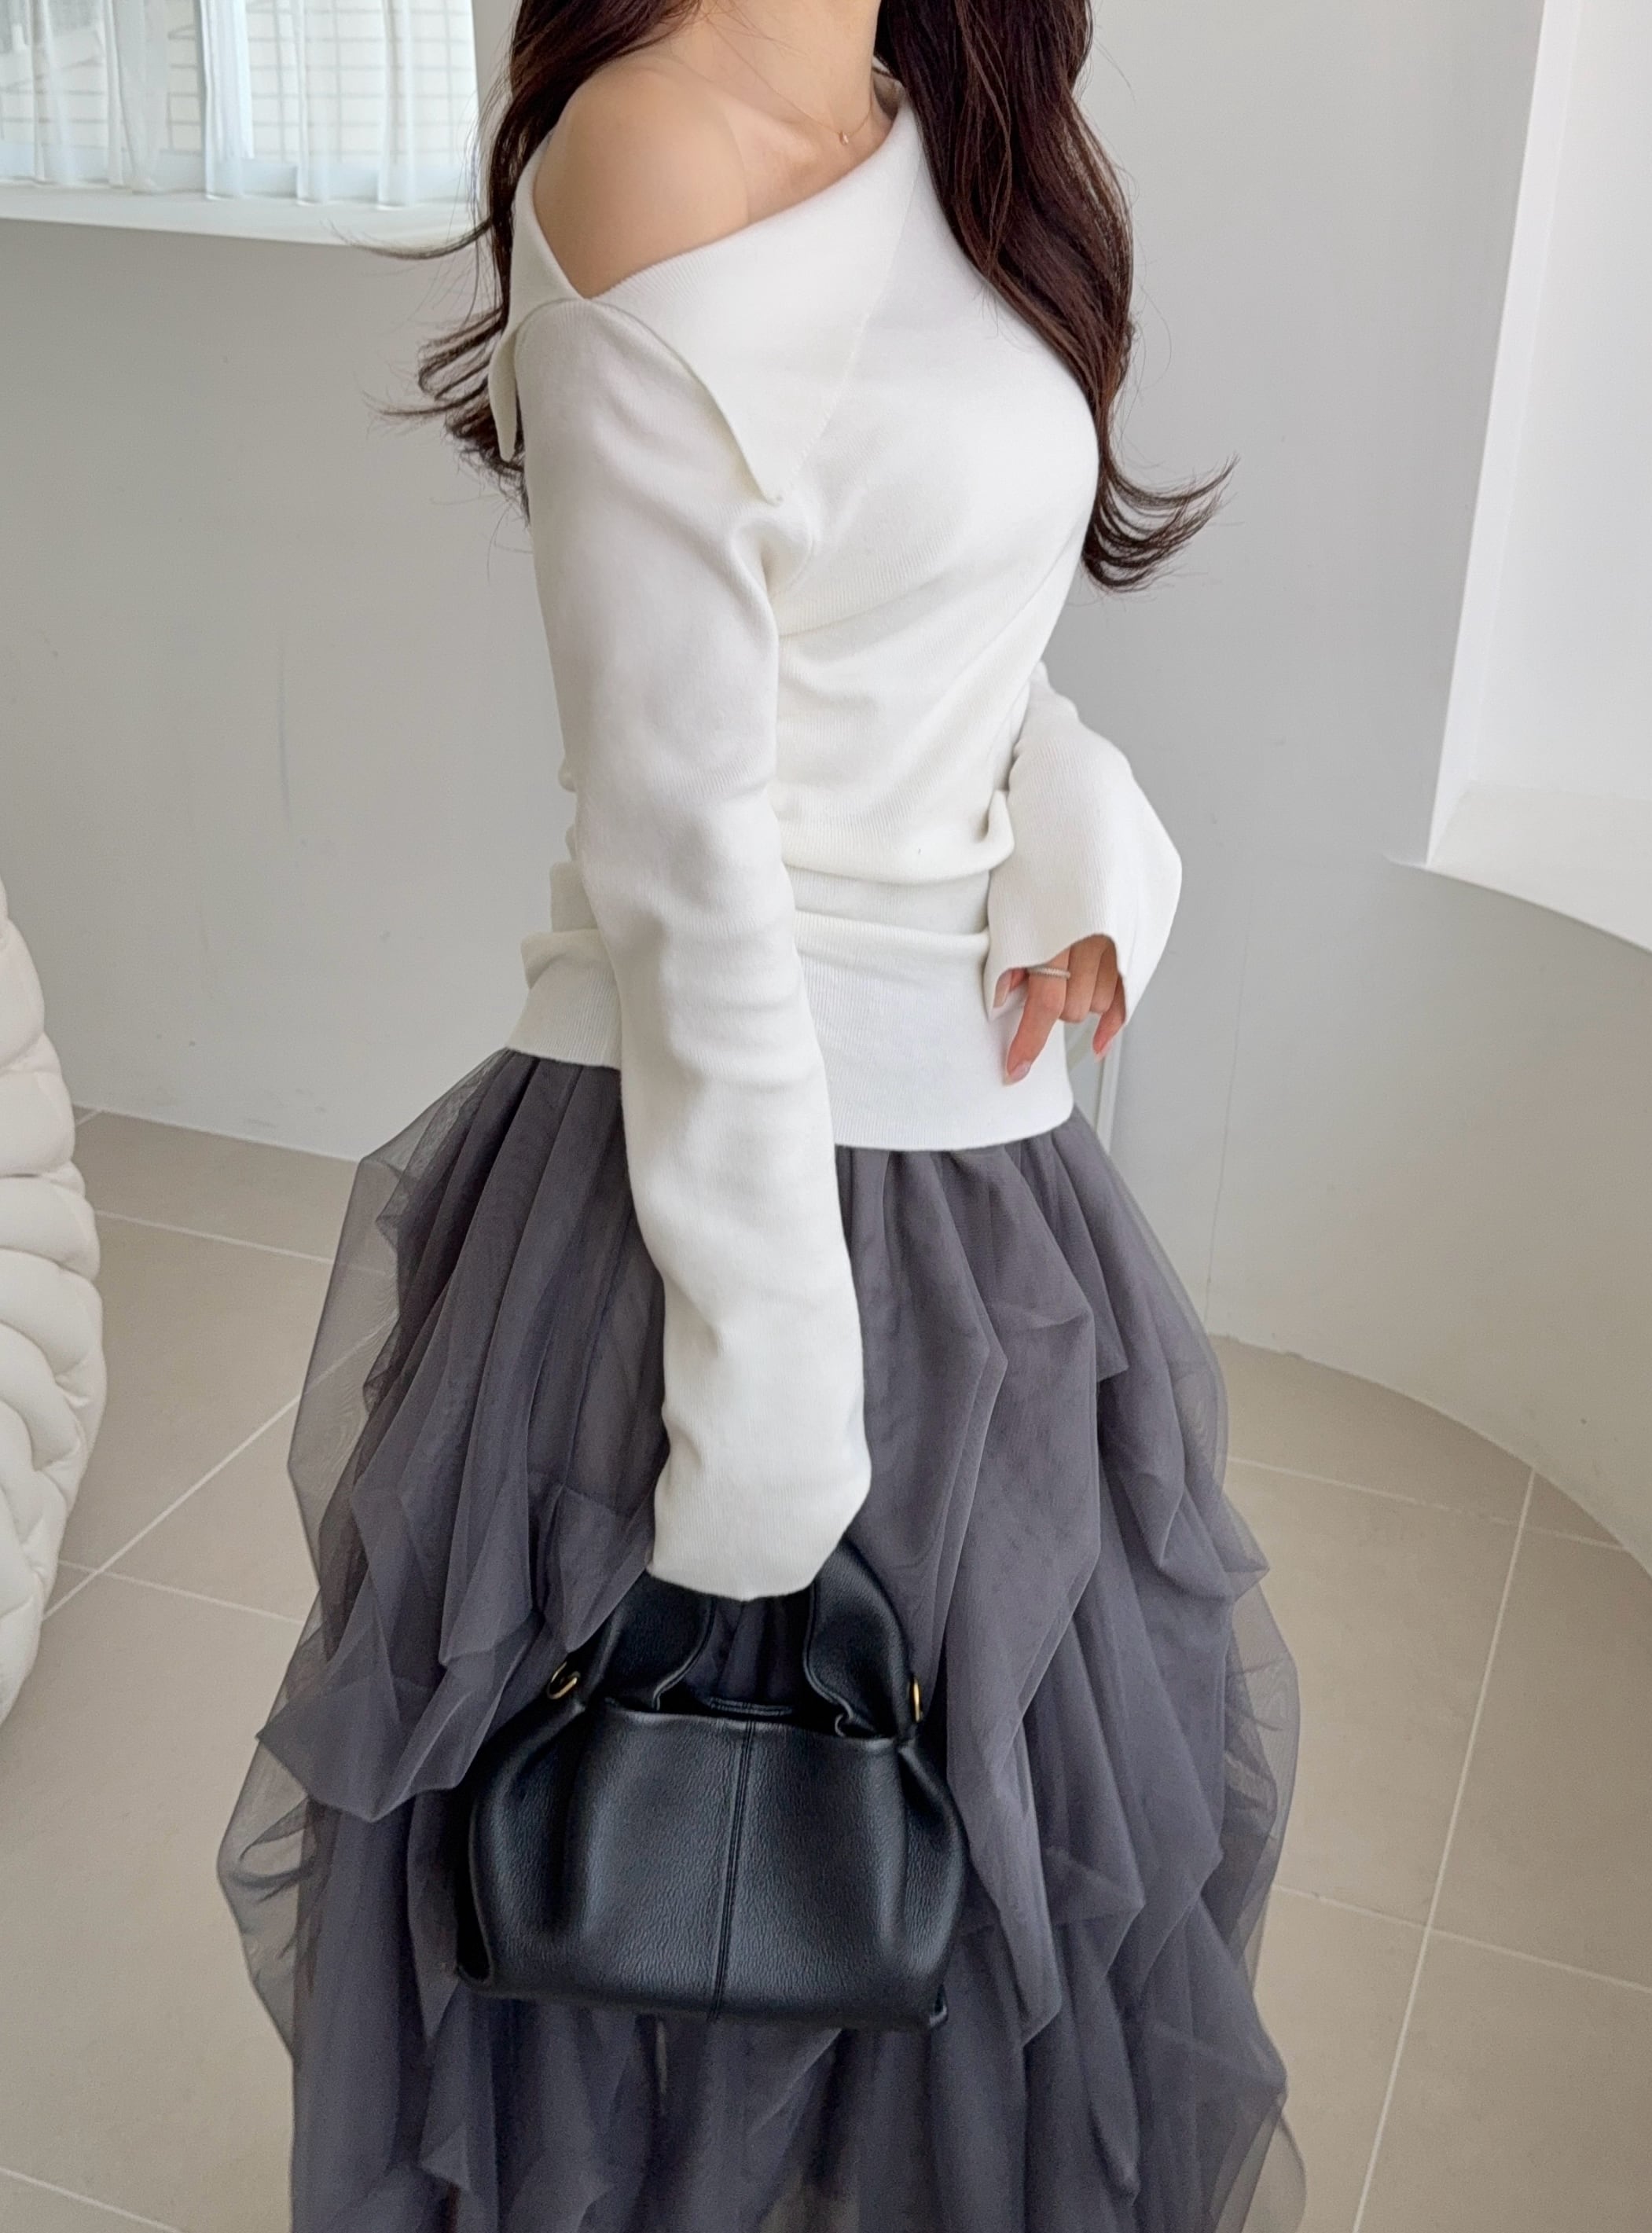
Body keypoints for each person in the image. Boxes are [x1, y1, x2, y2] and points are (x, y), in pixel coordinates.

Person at [219, 3, 1303, 2227]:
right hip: (724, 1196)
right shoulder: (647, 151)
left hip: (988, 1180)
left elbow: (949, 605)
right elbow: (680, 837)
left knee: (978, 1917)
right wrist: (774, 1414)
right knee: (696, 1897)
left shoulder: (931, 119)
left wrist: (1080, 825)